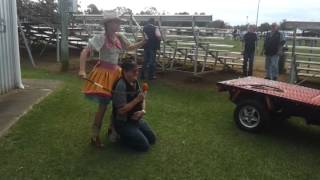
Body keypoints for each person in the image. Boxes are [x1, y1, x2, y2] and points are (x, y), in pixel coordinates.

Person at [78, 11, 146, 148]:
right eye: (115, 22)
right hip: (104, 75)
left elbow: (130, 47)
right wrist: (82, 69)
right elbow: (85, 51)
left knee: (117, 105)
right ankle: (94, 136)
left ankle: (113, 129)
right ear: (108, 24)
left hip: (116, 73)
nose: (118, 24)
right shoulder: (101, 38)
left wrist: (143, 42)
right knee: (103, 107)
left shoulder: (119, 36)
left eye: (118, 22)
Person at [112, 61, 156, 152]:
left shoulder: (134, 81)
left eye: (137, 70)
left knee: (152, 139)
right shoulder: (121, 85)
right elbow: (121, 111)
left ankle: (134, 131)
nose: (137, 73)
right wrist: (136, 100)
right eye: (134, 71)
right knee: (144, 146)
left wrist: (143, 110)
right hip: (123, 122)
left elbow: (142, 98)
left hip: (135, 120)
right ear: (125, 72)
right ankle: (120, 136)